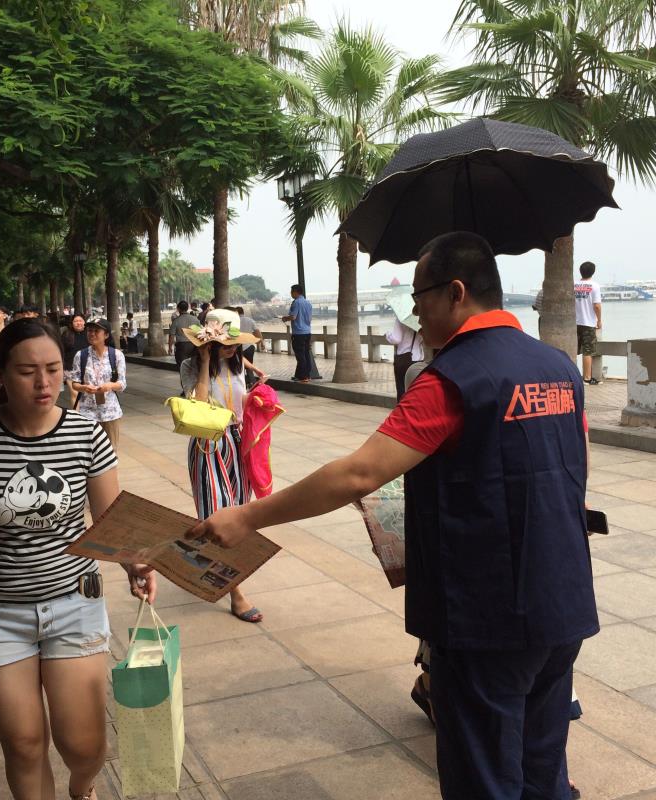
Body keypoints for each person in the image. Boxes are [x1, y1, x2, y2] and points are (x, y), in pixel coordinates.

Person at [190, 232, 598, 800]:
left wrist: (248, 517)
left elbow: (359, 474)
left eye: (421, 297)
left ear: (456, 293)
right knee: (542, 770)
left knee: (485, 778)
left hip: (487, 616)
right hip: (563, 601)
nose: (416, 314)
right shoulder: (559, 368)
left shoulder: (452, 379)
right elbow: (574, 468)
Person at [0, 318, 155, 800]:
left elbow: (110, 518)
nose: (44, 383)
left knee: (83, 746)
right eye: (27, 371)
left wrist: (135, 565)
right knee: (23, 745)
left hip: (74, 603)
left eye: (54, 369)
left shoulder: (86, 434)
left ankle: (82, 787)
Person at [179, 309, 267, 623]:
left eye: (235, 343)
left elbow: (239, 402)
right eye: (225, 343)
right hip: (208, 443)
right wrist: (204, 363)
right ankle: (236, 593)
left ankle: (204, 553)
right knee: (217, 513)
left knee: (238, 511)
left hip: (239, 442)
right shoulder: (190, 366)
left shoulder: (237, 364)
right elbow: (199, 405)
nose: (232, 348)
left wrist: (259, 398)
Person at [70, 318, 127, 454]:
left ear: (106, 335)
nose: (92, 334)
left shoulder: (117, 355)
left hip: (110, 412)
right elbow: (75, 383)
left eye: (96, 331)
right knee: (89, 452)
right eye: (90, 330)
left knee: (110, 451)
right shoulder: (81, 355)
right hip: (87, 413)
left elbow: (122, 383)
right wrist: (84, 388)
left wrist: (110, 385)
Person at [574, 261, 602, 385]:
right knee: (587, 351)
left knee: (573, 350)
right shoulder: (594, 286)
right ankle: (587, 378)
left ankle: (572, 376)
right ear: (593, 272)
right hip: (588, 323)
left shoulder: (573, 285)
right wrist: (599, 320)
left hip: (573, 323)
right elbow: (597, 306)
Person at [385, 319, 424, 401]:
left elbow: (396, 339)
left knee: (402, 390)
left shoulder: (401, 319)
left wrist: (388, 334)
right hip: (419, 358)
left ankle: (403, 408)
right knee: (416, 390)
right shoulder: (422, 318)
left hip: (404, 359)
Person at [282, 284, 313, 383]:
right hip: (307, 332)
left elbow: (293, 317)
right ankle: (305, 375)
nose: (291, 294)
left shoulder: (296, 303)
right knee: (306, 354)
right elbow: (310, 318)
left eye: (291, 292)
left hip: (298, 333)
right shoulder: (308, 303)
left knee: (300, 355)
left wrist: (285, 318)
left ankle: (303, 376)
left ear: (295, 292)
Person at [61, 314, 89, 408]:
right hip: (70, 368)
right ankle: (77, 414)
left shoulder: (89, 333)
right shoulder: (66, 334)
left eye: (80, 321)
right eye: (76, 321)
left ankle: (88, 414)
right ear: (72, 323)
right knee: (75, 394)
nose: (78, 323)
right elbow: (61, 351)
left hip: (88, 367)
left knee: (88, 393)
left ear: (84, 322)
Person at [235, 307, 263, 389]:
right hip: (249, 347)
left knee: (240, 368)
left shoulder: (234, 321)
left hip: (238, 348)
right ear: (243, 312)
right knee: (249, 367)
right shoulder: (250, 320)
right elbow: (258, 332)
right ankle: (253, 384)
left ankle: (242, 385)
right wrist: (261, 343)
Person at [168, 300, 200, 368]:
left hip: (181, 346)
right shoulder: (195, 319)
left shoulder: (176, 321)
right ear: (187, 308)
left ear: (178, 309)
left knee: (182, 366)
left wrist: (170, 347)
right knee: (193, 366)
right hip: (194, 345)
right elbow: (199, 333)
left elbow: (171, 336)